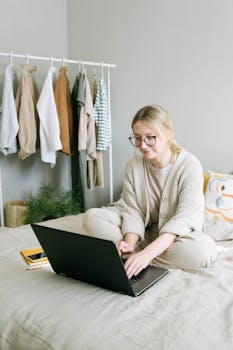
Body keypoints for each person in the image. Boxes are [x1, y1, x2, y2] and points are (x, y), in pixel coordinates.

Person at [82, 104, 217, 278]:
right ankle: (130, 255)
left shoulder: (189, 165)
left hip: (173, 237)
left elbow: (185, 218)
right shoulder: (133, 164)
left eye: (150, 138)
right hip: (143, 232)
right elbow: (132, 210)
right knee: (92, 217)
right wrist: (129, 243)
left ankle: (136, 258)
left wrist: (147, 254)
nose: (143, 145)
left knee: (204, 251)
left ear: (168, 134)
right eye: (137, 138)